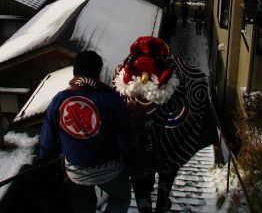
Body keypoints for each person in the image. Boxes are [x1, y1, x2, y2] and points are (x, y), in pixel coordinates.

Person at [112, 36, 218, 213]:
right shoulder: (176, 69)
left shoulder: (122, 71)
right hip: (168, 131)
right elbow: (197, 79)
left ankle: (143, 202)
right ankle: (163, 192)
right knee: (171, 158)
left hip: (138, 133)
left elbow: (113, 100)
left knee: (139, 166)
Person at [39, 51, 135, 213]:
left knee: (82, 206)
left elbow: (47, 140)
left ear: (74, 71)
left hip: (75, 172)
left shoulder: (60, 99)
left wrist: (44, 160)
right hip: (110, 170)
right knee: (121, 199)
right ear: (98, 72)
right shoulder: (111, 100)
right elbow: (125, 139)